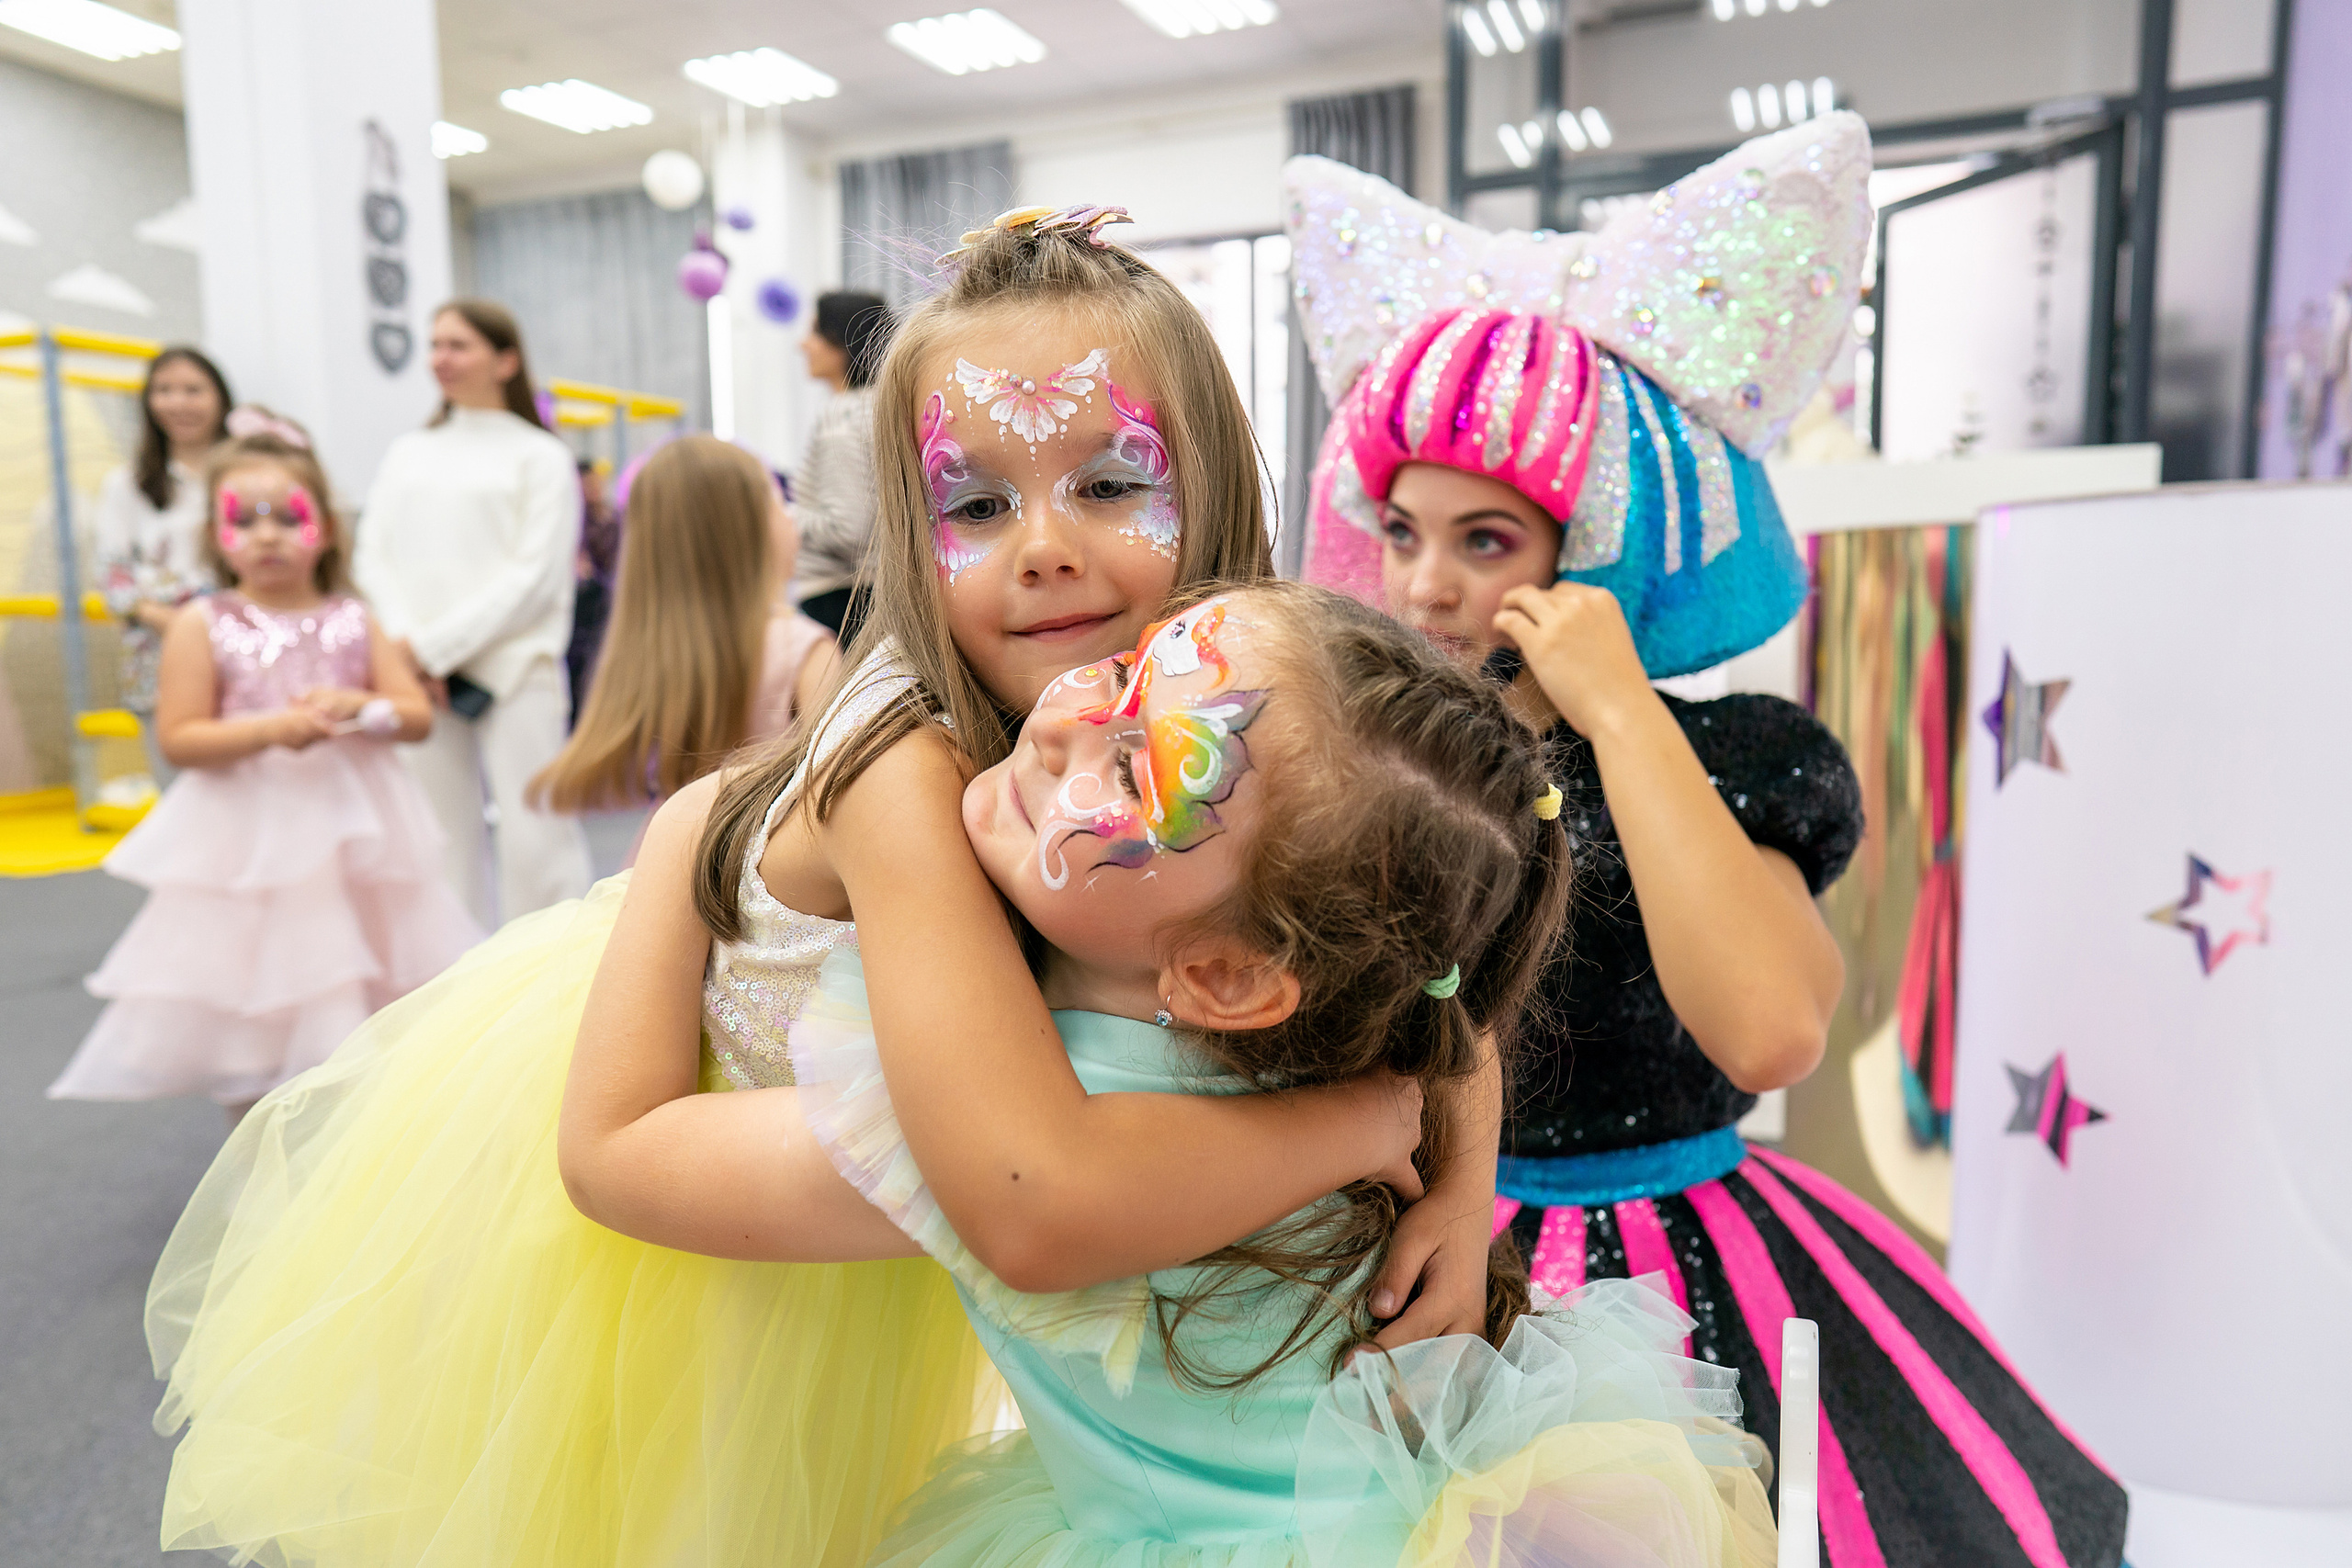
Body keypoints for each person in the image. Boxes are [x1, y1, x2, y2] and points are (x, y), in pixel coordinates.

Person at [145, 205, 1491, 1566]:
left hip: (949, 1203)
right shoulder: (913, 779)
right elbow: (1020, 1195)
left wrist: (1464, 1160)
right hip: (722, 1238)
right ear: (910, 523)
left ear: (1210, 481)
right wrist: (1370, 1113)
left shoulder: (1234, 696)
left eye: (1108, 481)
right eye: (974, 503)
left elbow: (1433, 920)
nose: (1041, 545)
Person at [1291, 118, 2131, 1568]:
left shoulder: (1724, 756)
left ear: (1596, 540)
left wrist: (1621, 715)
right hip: (1434, 1274)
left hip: (1697, 1284)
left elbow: (1770, 1031)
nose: (1424, 584)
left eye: (1485, 539)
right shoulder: (1367, 774)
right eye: (1405, 530)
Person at [560, 581, 1779, 1566]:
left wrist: (685, 836)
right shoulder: (1361, 1031)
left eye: (1137, 765)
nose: (1060, 714)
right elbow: (1455, 1003)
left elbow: (616, 1153)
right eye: (1135, 665)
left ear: (1231, 978)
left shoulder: (1002, 1118)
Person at [48, 417, 478, 1119]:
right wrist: (271, 728)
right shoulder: (202, 622)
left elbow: (415, 716)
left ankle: (355, 1152)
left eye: (289, 517)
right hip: (249, 844)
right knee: (259, 1010)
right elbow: (182, 736)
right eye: (243, 519)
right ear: (216, 534)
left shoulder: (354, 617)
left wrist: (362, 703)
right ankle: (258, 1163)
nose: (267, 534)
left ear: (326, 529)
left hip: (356, 838)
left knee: (364, 997)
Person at [353, 299, 592, 929]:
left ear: (505, 360)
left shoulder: (540, 455)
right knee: (437, 838)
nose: (441, 358)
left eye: (458, 344)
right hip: (419, 674)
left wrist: (430, 650)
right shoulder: (408, 451)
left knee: (536, 836)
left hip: (516, 667)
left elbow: (534, 577)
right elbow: (372, 555)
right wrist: (407, 650)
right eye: (435, 344)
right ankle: (453, 988)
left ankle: (552, 982)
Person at [530, 435, 838, 814]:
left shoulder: (649, 652)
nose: (792, 518)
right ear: (743, 531)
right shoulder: (803, 649)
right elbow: (842, 791)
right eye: (780, 503)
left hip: (664, 856)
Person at [91, 346, 232, 776]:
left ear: (221, 397)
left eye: (193, 390)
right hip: (161, 653)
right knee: (180, 794)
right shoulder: (126, 484)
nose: (179, 403)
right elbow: (114, 577)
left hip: (245, 647)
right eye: (164, 391)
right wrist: (178, 626)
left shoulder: (248, 471)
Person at [787, 289, 896, 646]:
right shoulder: (882, 408)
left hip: (844, 598)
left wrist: (783, 517)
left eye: (816, 332)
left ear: (842, 342)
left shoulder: (844, 417)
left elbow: (850, 530)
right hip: (868, 595)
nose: (803, 345)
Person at [563, 457, 619, 723]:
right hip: (586, 611)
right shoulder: (574, 522)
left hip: (609, 601)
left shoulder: (613, 518)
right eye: (587, 483)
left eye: (596, 482)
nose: (594, 488)